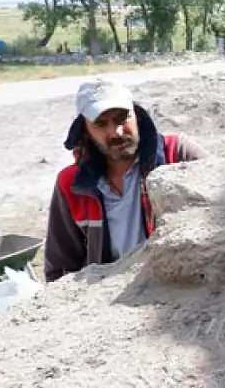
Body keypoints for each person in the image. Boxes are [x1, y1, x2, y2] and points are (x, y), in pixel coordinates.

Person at [44, 79, 209, 282]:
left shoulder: (178, 155)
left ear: (137, 116)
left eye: (122, 118)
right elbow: (60, 269)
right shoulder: (72, 184)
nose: (116, 132)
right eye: (101, 124)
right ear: (85, 131)